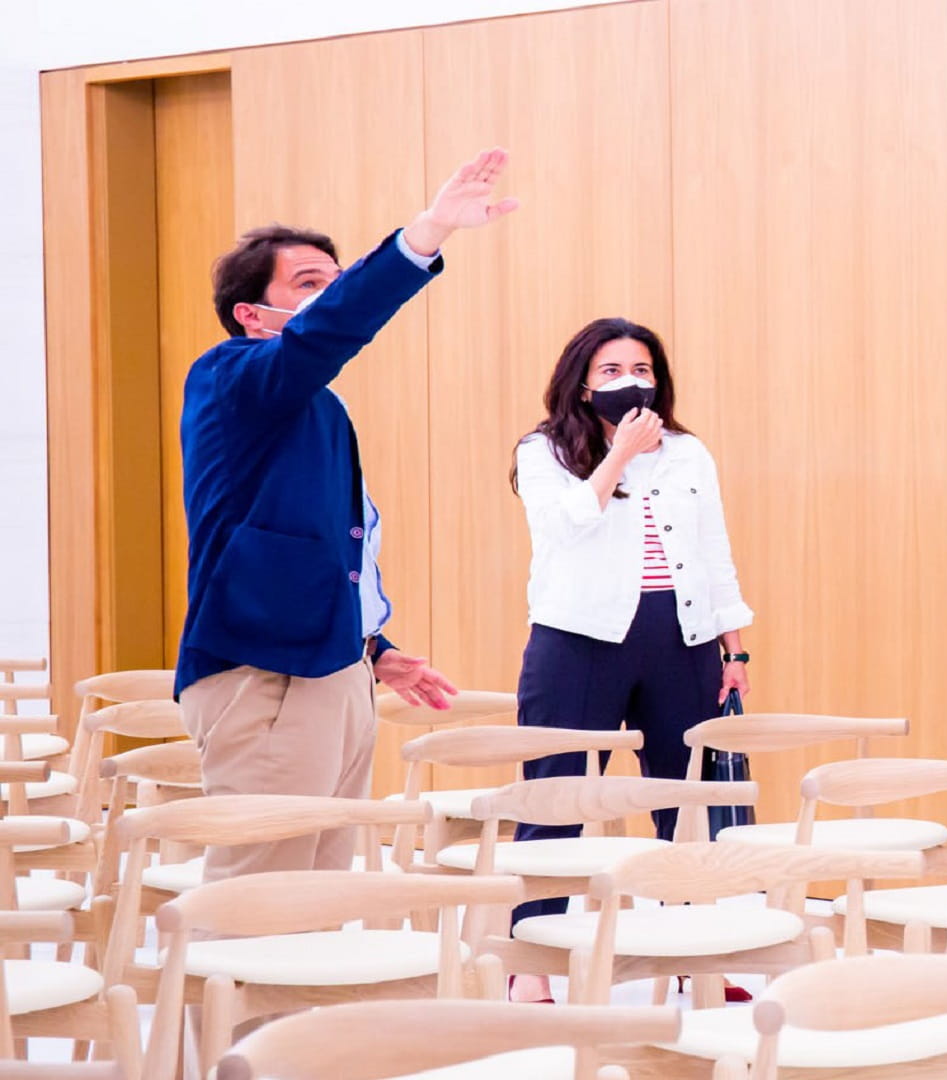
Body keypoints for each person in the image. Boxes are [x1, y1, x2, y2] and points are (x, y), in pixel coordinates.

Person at [177, 148, 517, 882]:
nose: (329, 298)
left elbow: (313, 548)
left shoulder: (314, 405)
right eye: (309, 286)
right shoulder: (230, 376)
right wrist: (426, 232)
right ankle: (224, 1004)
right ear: (251, 314)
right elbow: (324, 334)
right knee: (261, 894)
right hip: (265, 672)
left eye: (336, 285)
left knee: (322, 895)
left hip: (333, 669)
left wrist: (372, 646)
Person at [506, 317, 753, 1003]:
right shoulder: (546, 449)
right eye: (611, 371)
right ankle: (532, 963)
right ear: (582, 384)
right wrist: (618, 454)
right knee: (556, 797)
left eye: (641, 369)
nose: (629, 382)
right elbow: (563, 525)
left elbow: (713, 550)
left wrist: (734, 645)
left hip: (682, 635)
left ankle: (691, 954)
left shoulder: (686, 453)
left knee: (684, 800)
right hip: (578, 639)